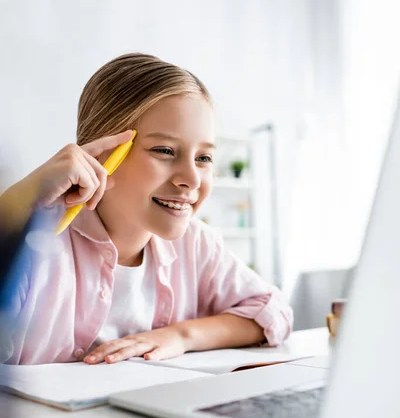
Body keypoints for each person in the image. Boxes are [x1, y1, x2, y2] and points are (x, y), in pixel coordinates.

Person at [0, 53, 293, 365]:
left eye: (204, 158)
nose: (192, 178)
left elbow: (272, 310)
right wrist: (16, 205)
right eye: (165, 151)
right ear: (100, 153)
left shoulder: (196, 244)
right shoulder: (38, 239)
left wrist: (180, 336)